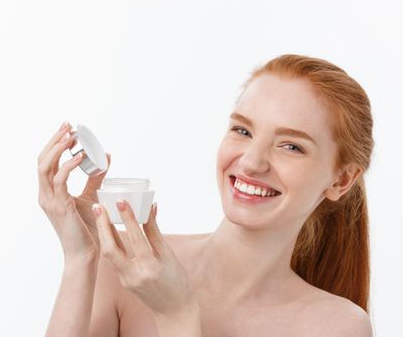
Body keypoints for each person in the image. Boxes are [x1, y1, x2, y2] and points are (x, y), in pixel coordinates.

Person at [38, 54, 375, 336]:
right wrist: (82, 259)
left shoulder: (336, 326)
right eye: (242, 130)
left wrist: (177, 315)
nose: (252, 162)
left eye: (291, 146)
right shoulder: (127, 267)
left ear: (341, 180)